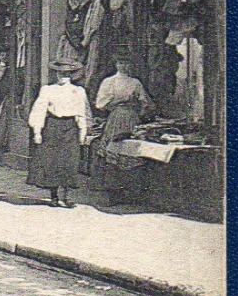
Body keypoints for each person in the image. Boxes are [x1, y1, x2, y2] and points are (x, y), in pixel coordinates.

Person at [27, 57, 91, 207]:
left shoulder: (78, 91)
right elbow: (39, 110)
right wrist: (37, 131)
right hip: (52, 126)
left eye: (67, 74)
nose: (63, 77)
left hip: (70, 127)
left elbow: (83, 112)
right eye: (60, 74)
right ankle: (54, 196)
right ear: (56, 74)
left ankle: (66, 196)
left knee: (69, 161)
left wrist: (83, 130)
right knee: (52, 161)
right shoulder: (48, 90)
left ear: (71, 75)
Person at [94, 56, 153, 189]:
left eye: (127, 63)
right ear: (116, 64)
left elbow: (145, 103)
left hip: (132, 118)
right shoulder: (109, 82)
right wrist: (118, 101)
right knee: (114, 151)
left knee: (133, 151)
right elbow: (100, 104)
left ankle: (131, 189)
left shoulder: (135, 82)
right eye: (121, 63)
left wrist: (139, 110)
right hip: (116, 118)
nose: (124, 66)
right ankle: (113, 189)